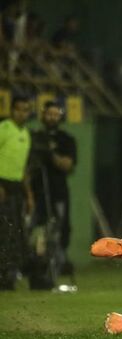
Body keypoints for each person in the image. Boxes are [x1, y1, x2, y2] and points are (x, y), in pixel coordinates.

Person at [28, 100, 77, 288]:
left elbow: (67, 164)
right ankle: (34, 273)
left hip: (57, 194)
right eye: (49, 114)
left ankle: (51, 275)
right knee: (33, 233)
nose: (52, 118)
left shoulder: (66, 139)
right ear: (43, 115)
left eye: (56, 114)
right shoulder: (34, 137)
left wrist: (50, 152)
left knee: (57, 234)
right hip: (36, 192)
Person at [0, 95, 32, 290]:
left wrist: (29, 195)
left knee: (13, 233)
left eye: (25, 110)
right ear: (12, 110)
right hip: (2, 186)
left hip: (16, 189)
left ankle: (7, 277)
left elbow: (23, 169)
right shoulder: (4, 128)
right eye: (18, 109)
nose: (22, 113)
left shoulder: (26, 133)